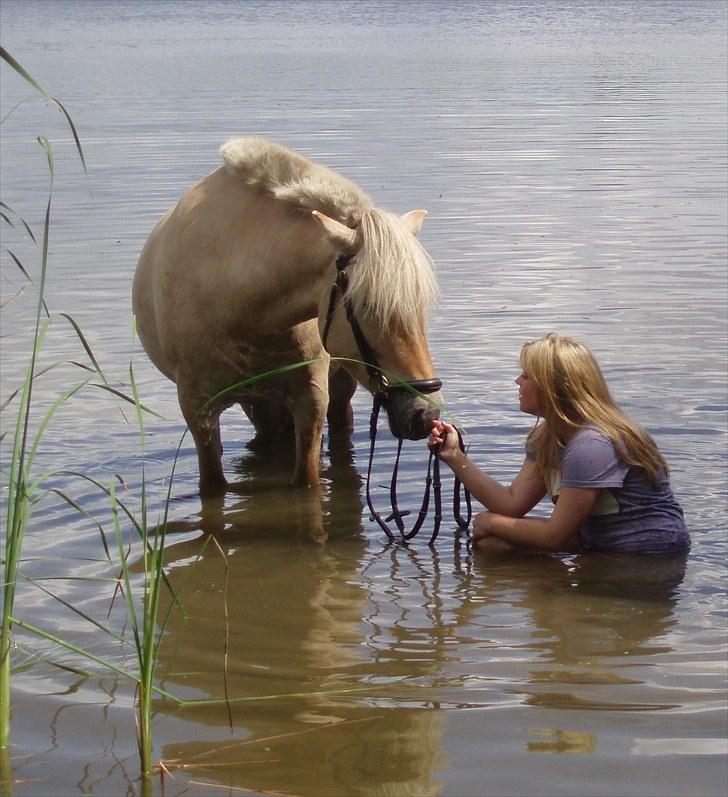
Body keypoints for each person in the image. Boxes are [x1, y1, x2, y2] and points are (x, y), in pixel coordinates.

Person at [429, 333, 690, 555]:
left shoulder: (592, 445)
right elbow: (510, 504)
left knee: (491, 534)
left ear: (552, 388)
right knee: (492, 545)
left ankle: (555, 598)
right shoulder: (547, 439)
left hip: (648, 555)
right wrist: (454, 456)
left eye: (526, 376)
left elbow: (554, 537)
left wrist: (488, 522)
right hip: (599, 544)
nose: (517, 382)